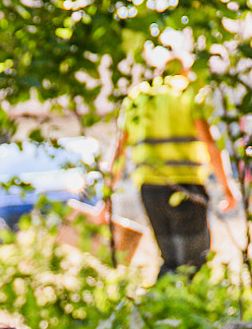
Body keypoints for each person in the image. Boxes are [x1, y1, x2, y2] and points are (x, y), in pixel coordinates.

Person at [102, 50, 237, 278]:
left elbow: (119, 150)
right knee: (194, 263)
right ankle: (189, 307)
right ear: (185, 71)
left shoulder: (139, 97)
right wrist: (227, 188)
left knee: (171, 260)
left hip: (150, 192)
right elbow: (211, 145)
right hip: (186, 189)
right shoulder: (187, 93)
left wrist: (106, 196)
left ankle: (163, 306)